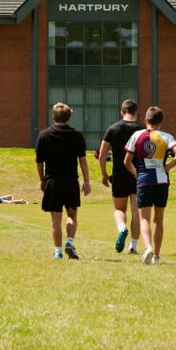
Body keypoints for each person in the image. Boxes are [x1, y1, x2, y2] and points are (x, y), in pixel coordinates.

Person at [124, 106, 176, 265]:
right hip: (162, 181)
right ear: (161, 122)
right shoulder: (167, 136)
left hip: (144, 179)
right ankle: (156, 256)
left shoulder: (137, 135)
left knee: (144, 218)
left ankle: (148, 246)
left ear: (145, 121)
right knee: (158, 219)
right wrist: (168, 166)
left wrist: (136, 173)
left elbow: (126, 161)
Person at [35, 102, 91, 260]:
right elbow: (83, 161)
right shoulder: (77, 136)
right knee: (72, 215)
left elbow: (39, 162)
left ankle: (58, 252)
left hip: (53, 181)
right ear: (69, 117)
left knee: (55, 220)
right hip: (71, 181)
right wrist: (87, 182)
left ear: (53, 116)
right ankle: (70, 242)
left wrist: (42, 180)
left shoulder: (44, 136)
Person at [97, 99, 145, 254]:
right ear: (136, 112)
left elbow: (102, 154)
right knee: (136, 211)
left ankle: (122, 228)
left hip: (118, 174)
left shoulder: (113, 128)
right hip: (138, 173)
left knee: (119, 209)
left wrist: (104, 174)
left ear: (121, 112)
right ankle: (133, 246)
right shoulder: (142, 129)